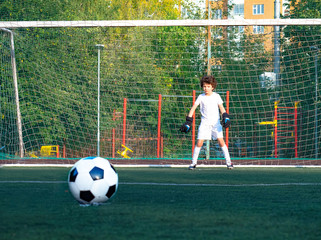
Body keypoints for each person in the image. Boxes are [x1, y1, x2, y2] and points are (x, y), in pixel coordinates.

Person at [180, 75, 233, 170]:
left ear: (212, 87)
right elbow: (193, 108)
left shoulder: (217, 96)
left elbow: (221, 107)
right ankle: (193, 163)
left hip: (216, 124)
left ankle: (229, 162)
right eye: (204, 86)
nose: (206, 88)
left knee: (221, 141)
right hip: (204, 124)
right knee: (199, 142)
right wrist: (188, 121)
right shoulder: (201, 97)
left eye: (208, 86)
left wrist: (225, 116)